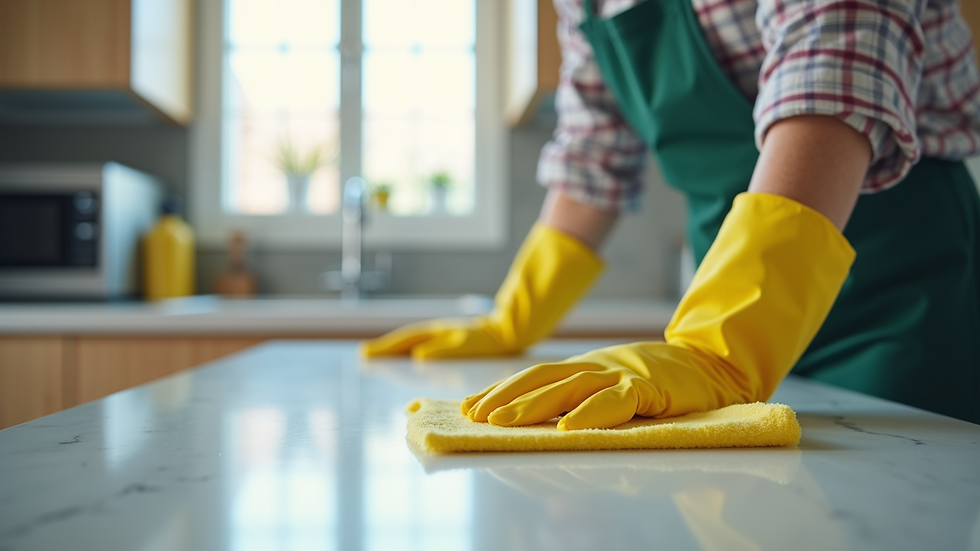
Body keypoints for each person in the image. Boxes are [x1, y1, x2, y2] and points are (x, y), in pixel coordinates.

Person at [363, 0, 980, 426]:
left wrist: (722, 347)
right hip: (732, 299)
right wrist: (513, 318)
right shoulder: (584, 7)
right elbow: (593, 153)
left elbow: (829, 77)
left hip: (898, 297)